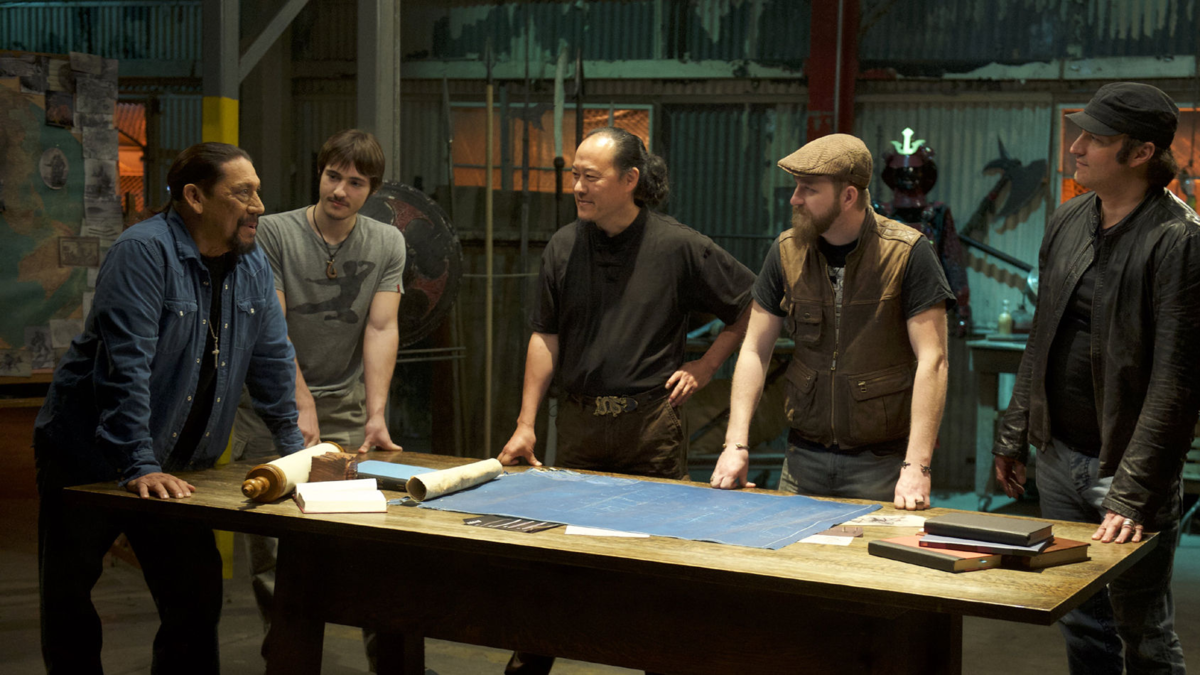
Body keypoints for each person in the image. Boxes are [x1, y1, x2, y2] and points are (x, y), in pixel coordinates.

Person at [34, 142, 304, 674]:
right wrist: (139, 464)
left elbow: (273, 361)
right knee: (69, 595)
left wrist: (297, 456)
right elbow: (125, 366)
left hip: (175, 464)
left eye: (258, 192)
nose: (258, 206)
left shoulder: (252, 263)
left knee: (195, 598)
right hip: (87, 455)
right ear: (195, 197)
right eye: (243, 193)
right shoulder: (143, 252)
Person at [496, 126, 755, 674]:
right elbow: (545, 337)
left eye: (590, 177)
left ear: (630, 179)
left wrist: (706, 365)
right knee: (560, 562)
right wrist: (525, 423)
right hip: (580, 427)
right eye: (574, 175)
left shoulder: (678, 246)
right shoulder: (564, 246)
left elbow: (751, 305)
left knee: (659, 566)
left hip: (650, 429)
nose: (577, 187)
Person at [993, 82, 1198, 675]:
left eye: (1097, 139)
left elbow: (1178, 381)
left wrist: (1134, 492)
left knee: (1143, 630)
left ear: (1141, 153)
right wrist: (1015, 431)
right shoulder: (1070, 218)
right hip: (1059, 456)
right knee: (1082, 621)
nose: (1076, 147)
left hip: (1126, 470)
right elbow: (1042, 333)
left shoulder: (1179, 240)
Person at [229, 129, 406, 664]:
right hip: (270, 409)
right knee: (275, 551)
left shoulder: (386, 242)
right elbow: (272, 328)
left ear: (371, 190)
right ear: (320, 173)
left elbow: (381, 327)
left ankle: (390, 666)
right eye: (333, 176)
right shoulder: (274, 233)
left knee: (364, 541)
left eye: (356, 183)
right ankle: (289, 659)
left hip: (345, 410)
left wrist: (376, 414)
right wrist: (297, 403)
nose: (340, 191)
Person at [710, 133, 952, 511]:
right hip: (803, 458)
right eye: (797, 187)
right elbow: (755, 349)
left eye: (809, 189)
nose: (795, 199)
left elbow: (933, 361)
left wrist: (917, 465)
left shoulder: (908, 253)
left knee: (872, 551)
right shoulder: (787, 251)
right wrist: (735, 444)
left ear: (848, 196)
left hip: (880, 463)